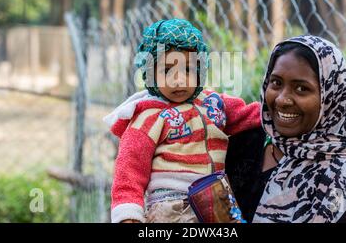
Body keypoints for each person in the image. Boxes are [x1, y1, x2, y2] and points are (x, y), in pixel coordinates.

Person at [104, 19, 260, 223]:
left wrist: (275, 113)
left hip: (218, 202)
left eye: (188, 69)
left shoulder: (213, 103)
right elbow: (129, 169)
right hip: (171, 209)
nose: (179, 80)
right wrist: (128, 215)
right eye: (167, 70)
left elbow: (251, 115)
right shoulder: (148, 116)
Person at [225, 35, 346, 223]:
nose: (282, 100)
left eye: (301, 88)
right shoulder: (246, 141)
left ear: (330, 98)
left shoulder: (342, 176)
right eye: (276, 83)